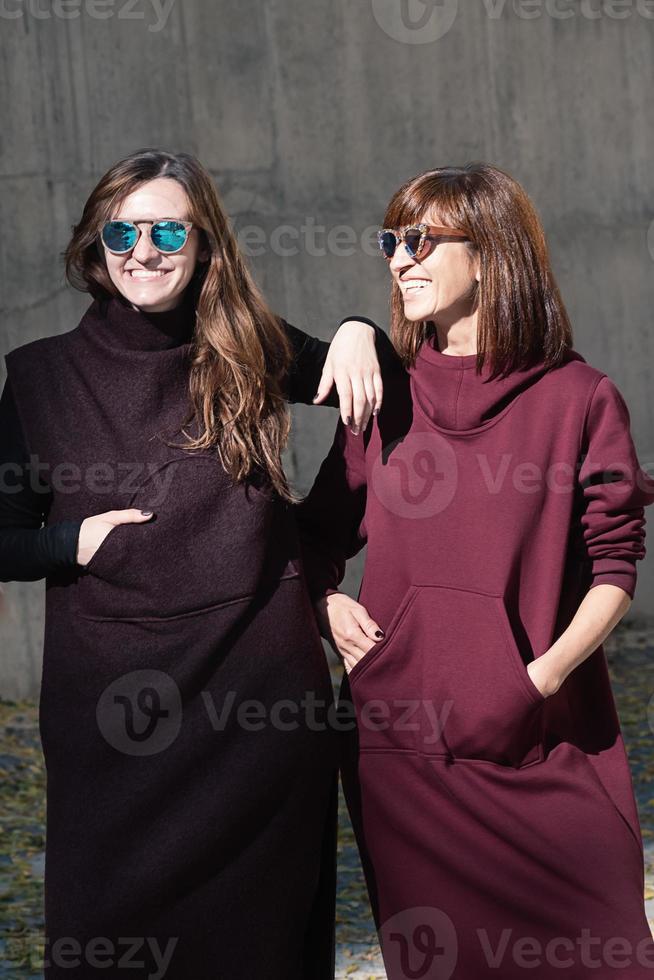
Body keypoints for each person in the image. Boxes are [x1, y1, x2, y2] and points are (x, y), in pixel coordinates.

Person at [0, 147, 391, 979]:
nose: (144, 250)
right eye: (123, 231)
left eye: (169, 228)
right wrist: (71, 542)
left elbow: (370, 388)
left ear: (204, 241)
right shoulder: (39, 380)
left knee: (260, 947)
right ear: (96, 246)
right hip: (116, 726)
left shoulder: (245, 346)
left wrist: (361, 331)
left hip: (259, 718)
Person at [298, 163, 654, 979]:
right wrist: (324, 605)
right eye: (391, 241)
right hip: (405, 756)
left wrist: (535, 681)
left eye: (421, 239)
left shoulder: (579, 399)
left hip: (539, 733)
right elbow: (314, 533)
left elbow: (615, 567)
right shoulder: (385, 394)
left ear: (490, 252)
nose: (399, 259)